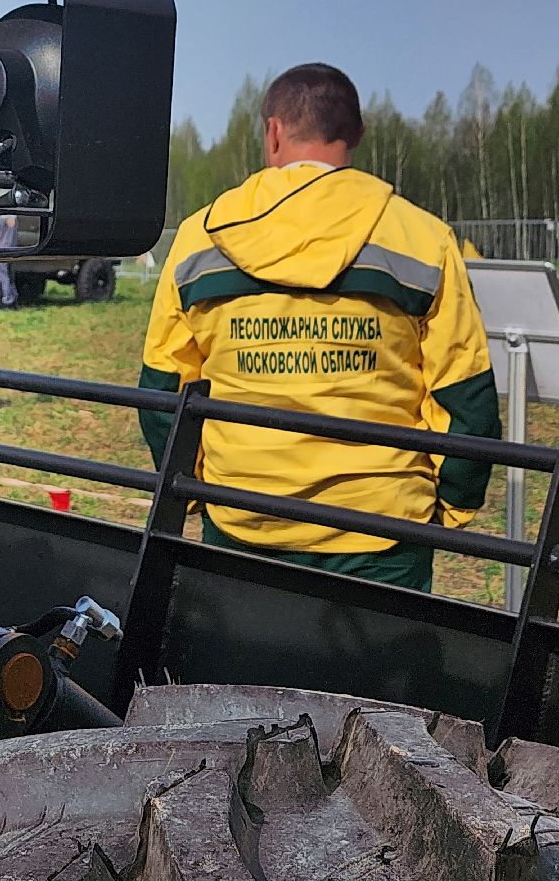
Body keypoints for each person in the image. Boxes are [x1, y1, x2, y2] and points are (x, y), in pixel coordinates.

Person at [139, 63, 500, 591]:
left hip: (242, 515)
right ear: (356, 135)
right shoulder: (425, 239)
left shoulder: (198, 239)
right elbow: (465, 397)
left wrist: (192, 491)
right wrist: (452, 507)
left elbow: (164, 389)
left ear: (274, 132)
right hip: (381, 531)